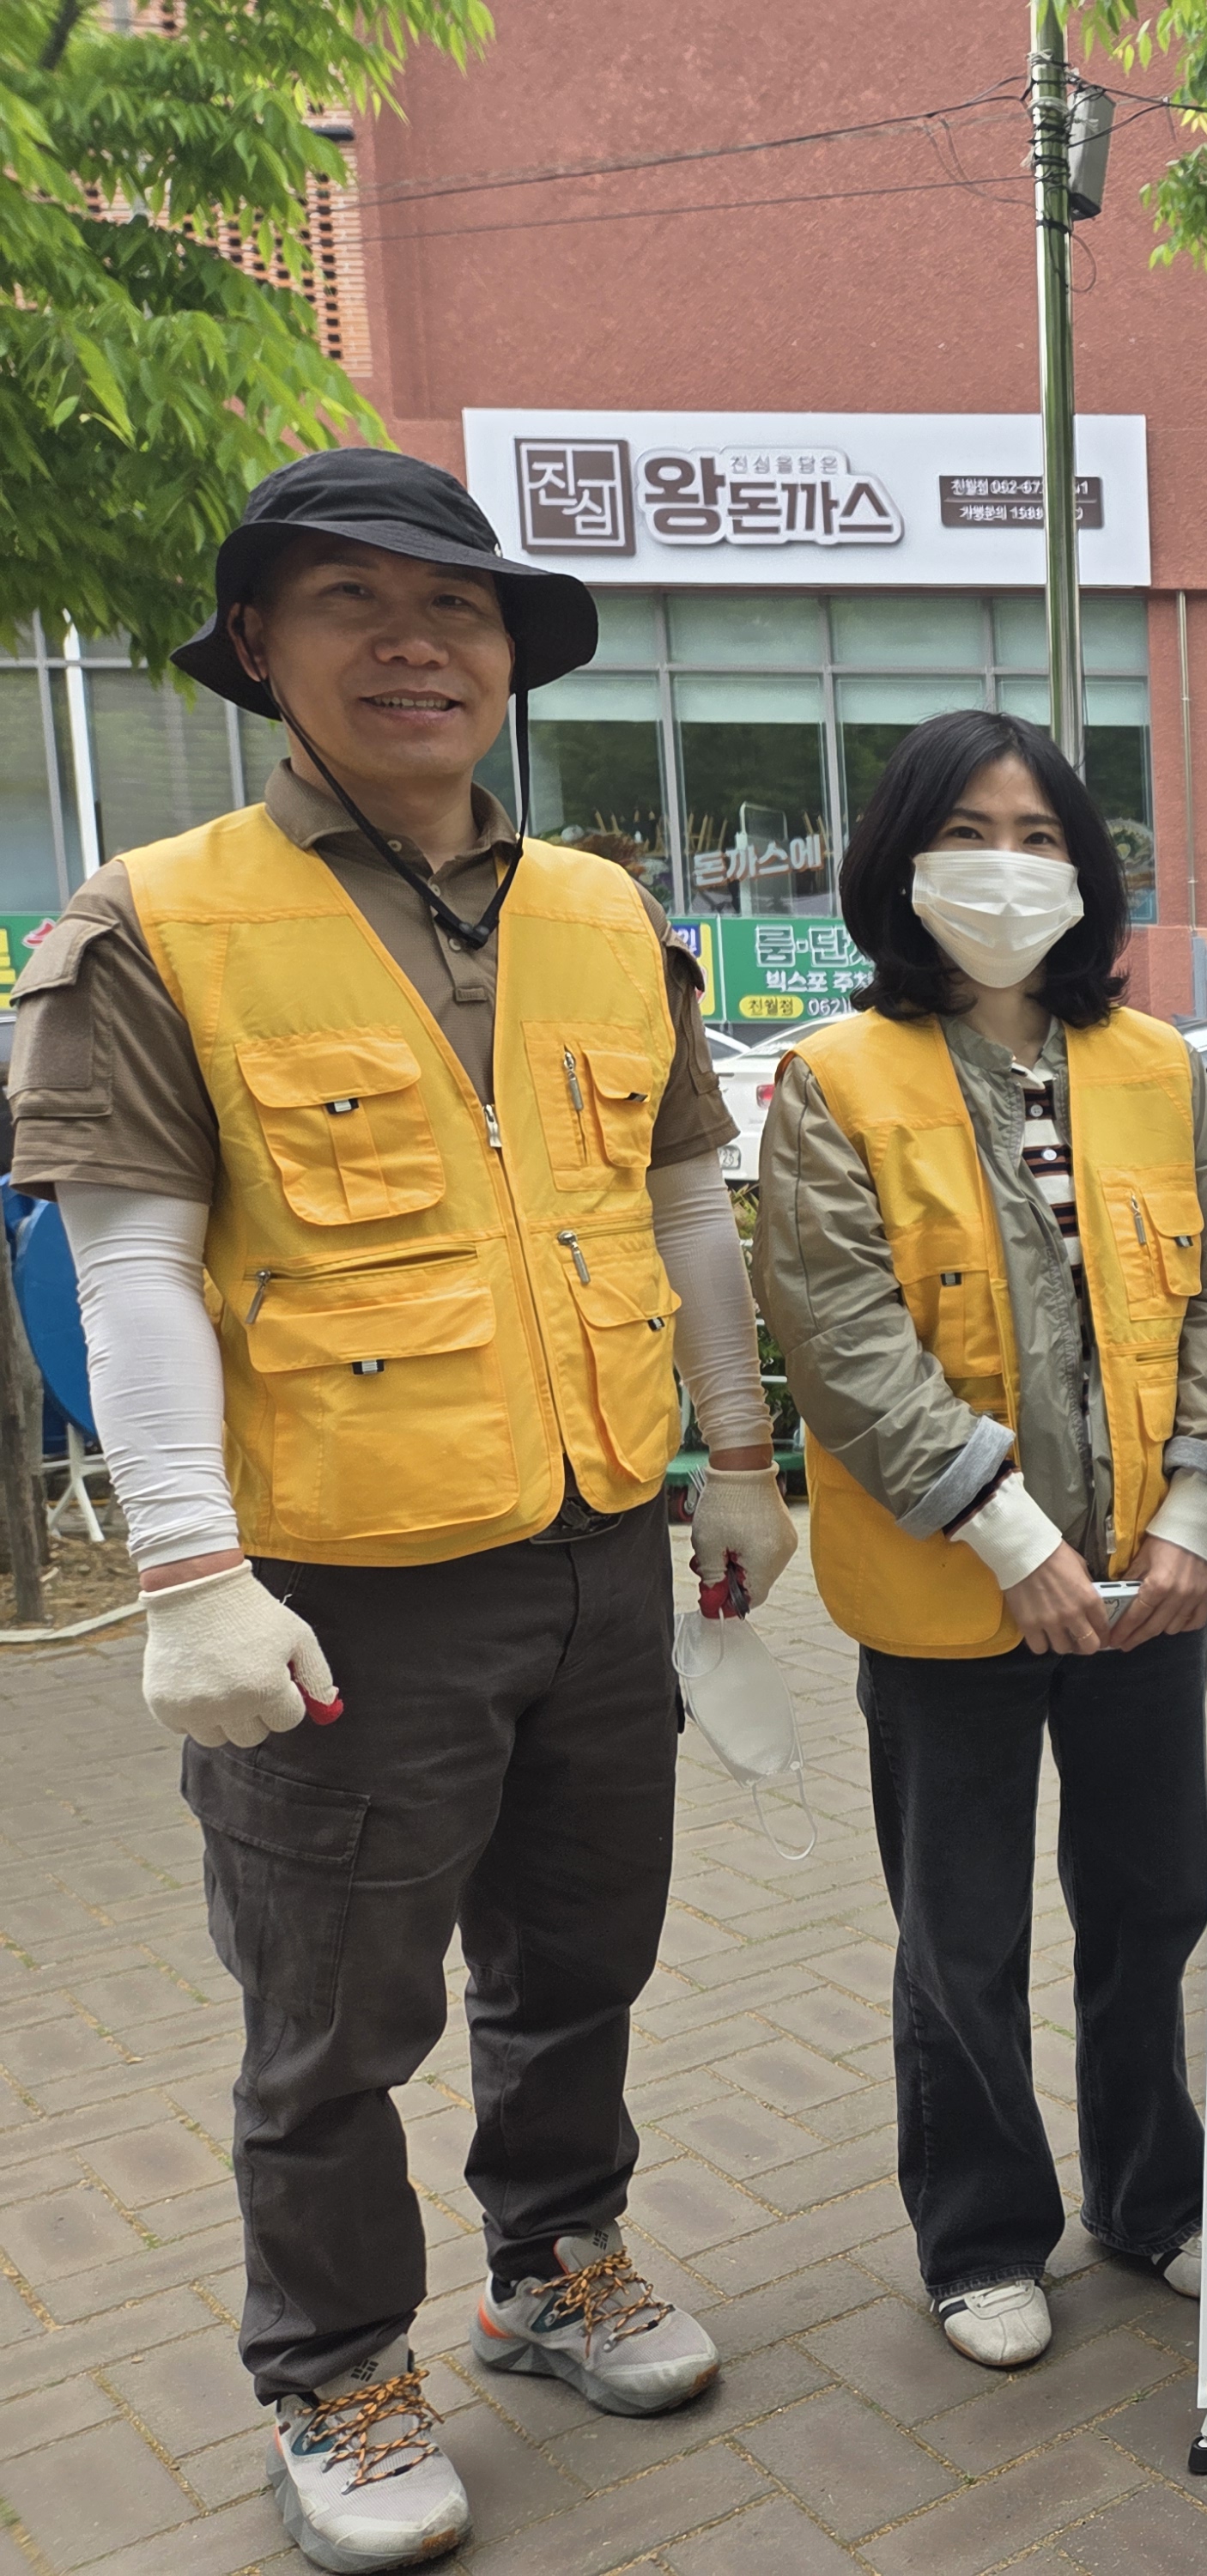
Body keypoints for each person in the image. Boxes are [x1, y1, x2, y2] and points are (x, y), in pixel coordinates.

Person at [2, 450, 795, 2572]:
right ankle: (336, 2369)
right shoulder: (157, 922)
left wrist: (735, 1455)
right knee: (333, 2025)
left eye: (453, 605)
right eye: (349, 599)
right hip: (341, 1595)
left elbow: (683, 1203)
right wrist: (189, 1570)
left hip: (595, 1547)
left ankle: (553, 2264)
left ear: (510, 656)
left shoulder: (605, 913)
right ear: (261, 647)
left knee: (583, 1954)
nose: (412, 641)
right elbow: (128, 1265)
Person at [752, 710, 1207, 2372]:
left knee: (1153, 1904)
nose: (1007, 870)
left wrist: (1195, 1510)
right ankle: (979, 2237)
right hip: (952, 1591)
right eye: (968, 835)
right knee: (961, 1934)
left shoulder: (1159, 1067)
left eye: (1039, 838)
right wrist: (1010, 1534)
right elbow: (841, 1336)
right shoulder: (835, 1080)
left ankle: (1155, 2200)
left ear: (1086, 871)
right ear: (899, 862)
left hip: (1150, 1584)